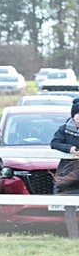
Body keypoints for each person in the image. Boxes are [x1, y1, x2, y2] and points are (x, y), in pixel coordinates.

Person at [50, 98, 79, 239]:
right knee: (69, 207)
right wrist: (70, 149)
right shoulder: (64, 129)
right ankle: (73, 236)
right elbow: (54, 143)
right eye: (77, 114)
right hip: (68, 173)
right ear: (73, 115)